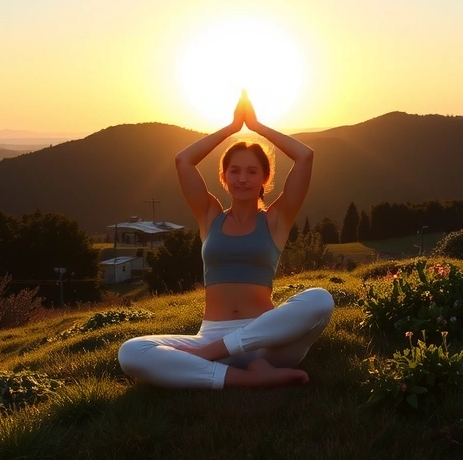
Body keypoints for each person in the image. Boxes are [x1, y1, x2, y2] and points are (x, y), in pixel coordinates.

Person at [117, 91, 334, 388]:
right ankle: (247, 379)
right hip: (210, 334)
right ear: (224, 176)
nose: (242, 178)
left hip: (264, 342)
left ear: (264, 179)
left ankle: (211, 360)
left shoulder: (275, 220)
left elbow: (305, 156)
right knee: (131, 351)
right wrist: (233, 128)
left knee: (321, 299)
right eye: (234, 170)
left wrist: (256, 126)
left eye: (251, 171)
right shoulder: (210, 216)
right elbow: (183, 161)